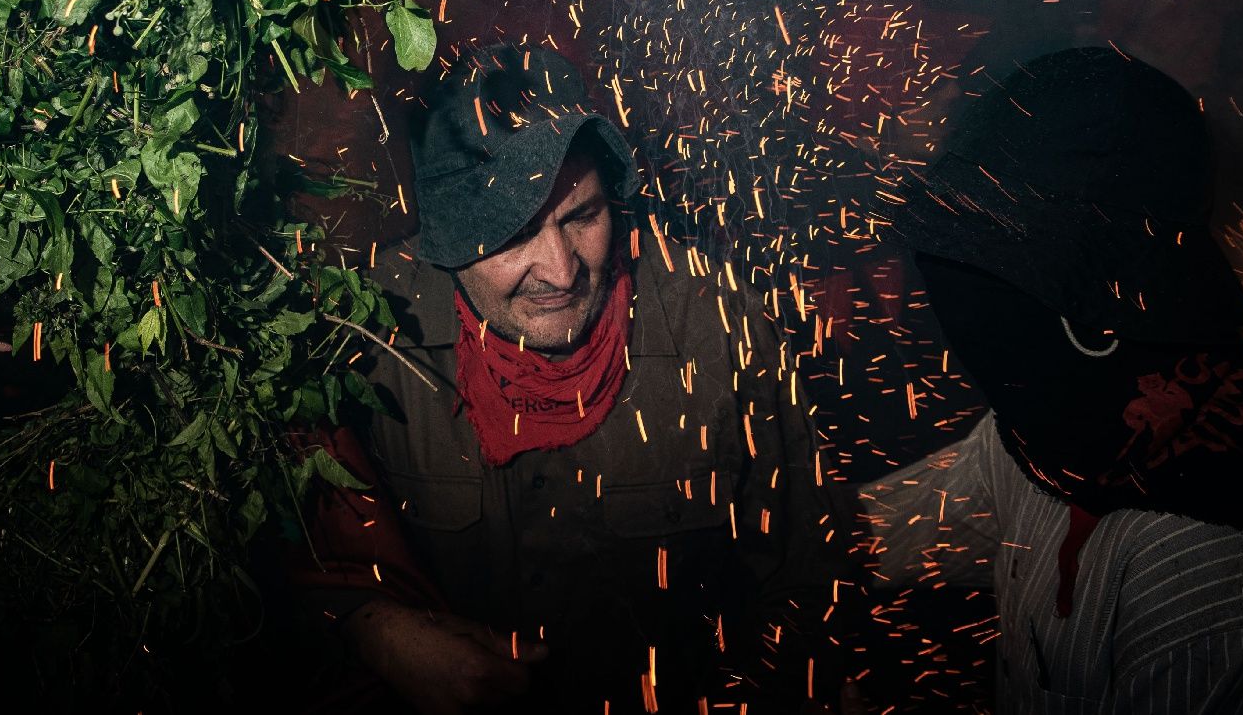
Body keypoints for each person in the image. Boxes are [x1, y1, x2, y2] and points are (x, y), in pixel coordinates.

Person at [292, 42, 854, 714]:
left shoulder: (718, 325)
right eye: (512, 234)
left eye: (581, 215)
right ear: (440, 240)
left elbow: (807, 584)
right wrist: (379, 635)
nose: (560, 270)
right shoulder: (364, 337)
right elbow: (280, 585)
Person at [859, 46, 1243, 713]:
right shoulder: (1058, 433)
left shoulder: (1207, 584)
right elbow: (882, 534)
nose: (957, 289)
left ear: (1096, 306)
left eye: (991, 254)